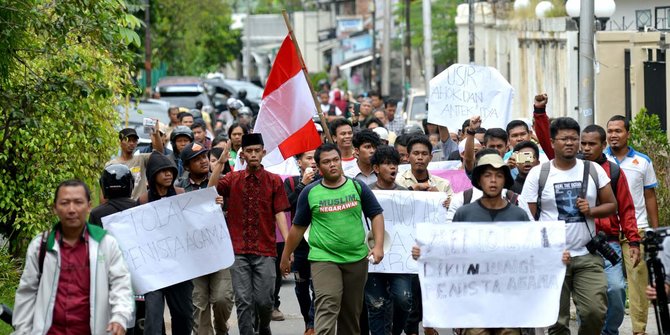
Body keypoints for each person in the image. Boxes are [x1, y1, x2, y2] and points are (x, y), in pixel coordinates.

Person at [412, 150, 570, 335]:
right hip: (473, 303)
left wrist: (556, 257)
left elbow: (533, 252)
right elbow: (451, 253)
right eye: (487, 175)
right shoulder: (464, 213)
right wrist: (426, 254)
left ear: (505, 180)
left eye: (499, 176)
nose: (493, 180)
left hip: (510, 302)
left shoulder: (518, 215)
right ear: (479, 180)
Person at [520, 117, 617, 334]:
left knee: (595, 312)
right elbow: (528, 219)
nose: (570, 143)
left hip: (587, 254)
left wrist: (591, 211)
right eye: (564, 138)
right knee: (557, 321)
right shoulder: (539, 173)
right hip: (552, 258)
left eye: (575, 138)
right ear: (552, 142)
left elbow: (612, 205)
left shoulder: (592, 170)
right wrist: (546, 249)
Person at [279, 143, 385, 335]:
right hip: (323, 259)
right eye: (327, 162)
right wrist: (286, 255)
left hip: (356, 259)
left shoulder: (357, 186)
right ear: (319, 167)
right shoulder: (310, 192)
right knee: (327, 303)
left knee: (350, 314)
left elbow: (376, 214)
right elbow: (297, 228)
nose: (333, 165)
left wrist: (378, 246)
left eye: (336, 160)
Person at [12, 180, 134, 335]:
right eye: (64, 203)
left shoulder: (105, 244)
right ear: (54, 208)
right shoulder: (40, 246)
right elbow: (27, 292)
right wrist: (22, 329)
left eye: (78, 202)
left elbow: (121, 285)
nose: (71, 209)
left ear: (89, 206)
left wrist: (119, 316)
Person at [211, 133, 290, 335]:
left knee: (265, 301)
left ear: (263, 153)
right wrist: (220, 163)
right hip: (238, 251)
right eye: (249, 151)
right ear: (243, 155)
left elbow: (280, 213)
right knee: (243, 301)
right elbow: (211, 189)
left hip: (265, 249)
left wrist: (288, 248)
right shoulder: (233, 179)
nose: (253, 154)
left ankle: (263, 326)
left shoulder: (274, 181)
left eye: (257, 151)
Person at [581, 124, 640, 335]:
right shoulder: (572, 167)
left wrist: (634, 241)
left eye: (592, 144)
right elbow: (549, 142)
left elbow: (626, 209)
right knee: (587, 300)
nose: (586, 148)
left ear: (603, 145)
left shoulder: (614, 172)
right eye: (583, 143)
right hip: (581, 244)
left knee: (616, 289)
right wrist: (539, 113)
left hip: (609, 243)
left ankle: (610, 332)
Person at [605, 115, 659, 335]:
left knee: (638, 284)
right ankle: (607, 328)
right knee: (610, 286)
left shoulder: (642, 161)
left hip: (636, 230)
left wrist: (654, 232)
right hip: (607, 230)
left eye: (618, 131)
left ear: (628, 133)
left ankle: (639, 330)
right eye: (610, 131)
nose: (613, 135)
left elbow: (650, 197)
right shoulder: (598, 161)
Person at [177, 142, 235, 335]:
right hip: (193, 257)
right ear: (186, 166)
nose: (203, 161)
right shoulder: (178, 188)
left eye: (204, 157)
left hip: (219, 253)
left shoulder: (223, 181)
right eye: (197, 159)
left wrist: (223, 206)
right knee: (198, 305)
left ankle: (221, 328)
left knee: (222, 299)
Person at [138, 151, 193, 334]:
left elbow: (193, 223)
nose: (169, 174)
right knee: (152, 318)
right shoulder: (142, 201)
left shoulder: (181, 195)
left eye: (171, 171)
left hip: (179, 269)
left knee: (184, 316)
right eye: (163, 171)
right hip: (154, 271)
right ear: (153, 175)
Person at [366, 146, 413, 335]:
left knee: (404, 299)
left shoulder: (408, 195)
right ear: (376, 168)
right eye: (387, 164)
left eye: (395, 164)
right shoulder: (365, 193)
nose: (392, 168)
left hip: (400, 259)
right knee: (375, 304)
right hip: (372, 259)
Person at [283, 150, 319, 335]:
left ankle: (313, 323)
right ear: (299, 162)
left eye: (315, 158)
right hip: (299, 245)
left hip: (319, 243)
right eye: (308, 158)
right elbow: (286, 206)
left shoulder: (325, 181)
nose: (313, 162)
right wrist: (302, 185)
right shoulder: (290, 183)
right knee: (301, 287)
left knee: (319, 286)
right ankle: (308, 321)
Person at [106, 127, 163, 200]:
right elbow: (105, 192)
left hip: (140, 206)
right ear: (120, 142)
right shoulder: (111, 165)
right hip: (122, 207)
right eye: (128, 140)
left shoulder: (141, 159)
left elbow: (159, 154)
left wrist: (156, 133)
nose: (131, 143)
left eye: (134, 140)